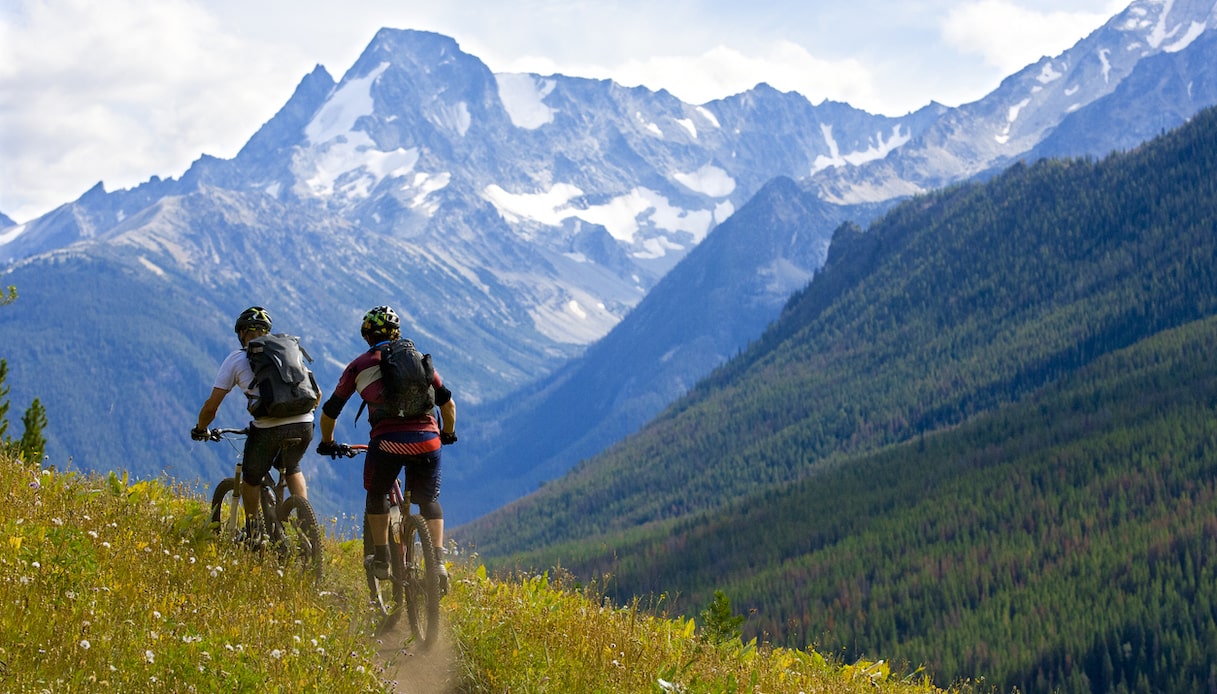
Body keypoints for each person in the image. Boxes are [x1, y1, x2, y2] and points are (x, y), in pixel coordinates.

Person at [315, 305, 457, 591]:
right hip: (429, 441)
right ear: (397, 333)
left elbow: (330, 411)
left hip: (388, 443)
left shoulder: (359, 366)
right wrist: (448, 433)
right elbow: (447, 404)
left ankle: (381, 559)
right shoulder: (419, 359)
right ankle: (438, 561)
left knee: (377, 494)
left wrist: (327, 442)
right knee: (428, 500)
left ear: (367, 336)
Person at [191, 306, 318, 540]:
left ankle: (253, 532)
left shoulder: (237, 358)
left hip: (269, 427)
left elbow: (212, 406)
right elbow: (313, 391)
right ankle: (306, 531)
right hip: (305, 422)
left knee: (251, 478)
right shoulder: (288, 351)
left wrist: (201, 429)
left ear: (242, 334)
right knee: (292, 467)